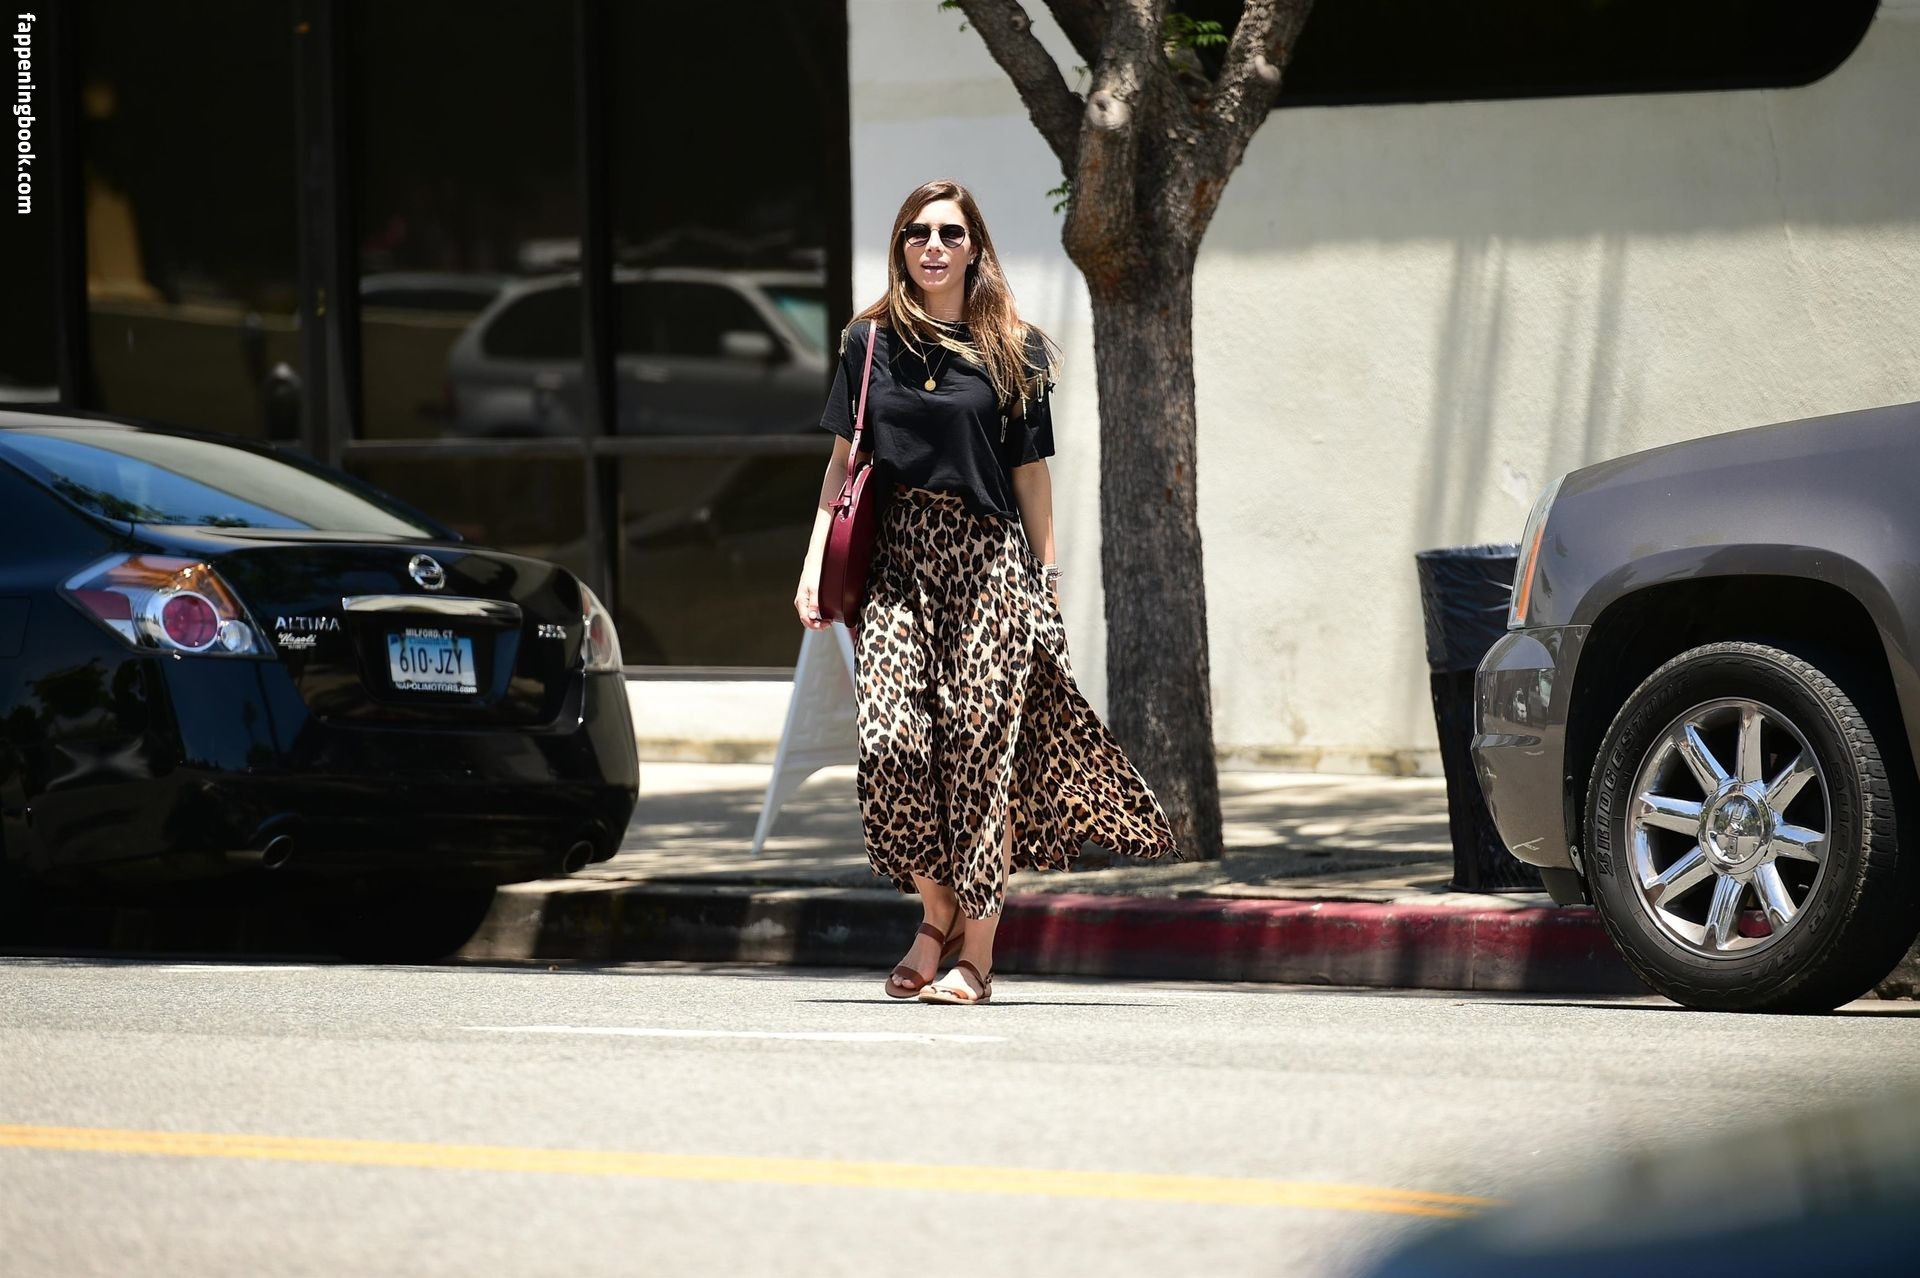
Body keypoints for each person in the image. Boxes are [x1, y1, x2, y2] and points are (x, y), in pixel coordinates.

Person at [793, 179, 1180, 1005]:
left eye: (950, 233)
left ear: (975, 248)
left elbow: (1030, 474)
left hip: (989, 566)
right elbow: (842, 463)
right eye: (917, 233)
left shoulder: (1015, 347)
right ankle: (937, 912)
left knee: (979, 756)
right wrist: (812, 566)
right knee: (891, 744)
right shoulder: (868, 341)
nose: (932, 247)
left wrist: (1047, 577)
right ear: (900, 247)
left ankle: (976, 954)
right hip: (898, 565)